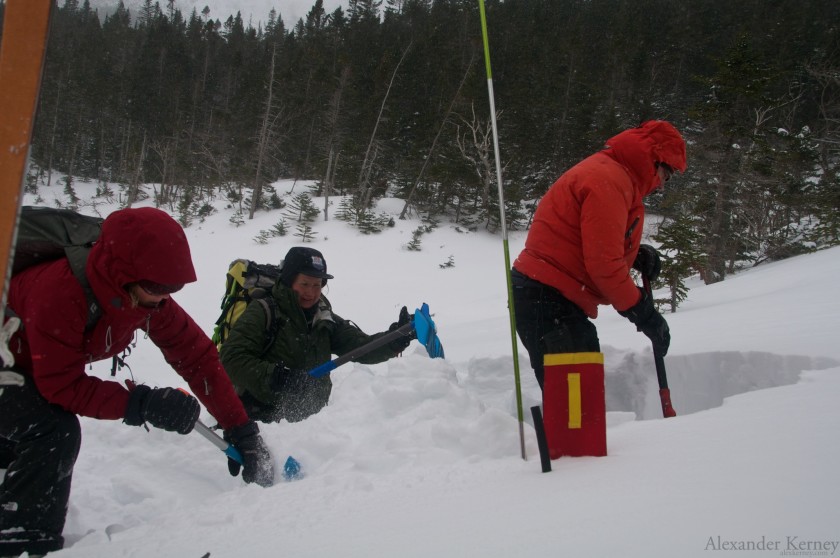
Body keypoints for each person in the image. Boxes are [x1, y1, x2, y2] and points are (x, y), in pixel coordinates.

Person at [0, 207, 274, 557]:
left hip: (24, 364)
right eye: (157, 287)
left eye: (172, 288)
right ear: (121, 272)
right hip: (10, 365)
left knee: (23, 437)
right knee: (52, 431)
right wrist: (142, 404)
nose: (164, 296)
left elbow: (196, 357)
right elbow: (61, 385)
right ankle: (22, 544)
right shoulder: (59, 290)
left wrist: (241, 428)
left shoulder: (142, 297)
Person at [511, 120, 687, 389]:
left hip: (545, 294)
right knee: (575, 405)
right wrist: (643, 313)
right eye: (667, 174)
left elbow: (592, 238)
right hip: (547, 299)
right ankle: (565, 434)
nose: (663, 185)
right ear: (654, 160)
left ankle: (564, 432)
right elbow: (604, 265)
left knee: (576, 402)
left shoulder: (611, 172)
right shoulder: (610, 180)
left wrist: (634, 254)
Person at [220, 246, 414, 424]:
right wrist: (277, 377)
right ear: (288, 281)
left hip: (312, 426)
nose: (311, 293)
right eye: (304, 284)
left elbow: (361, 347)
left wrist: (396, 337)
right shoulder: (264, 311)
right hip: (262, 422)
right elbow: (230, 357)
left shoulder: (323, 317)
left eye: (317, 285)